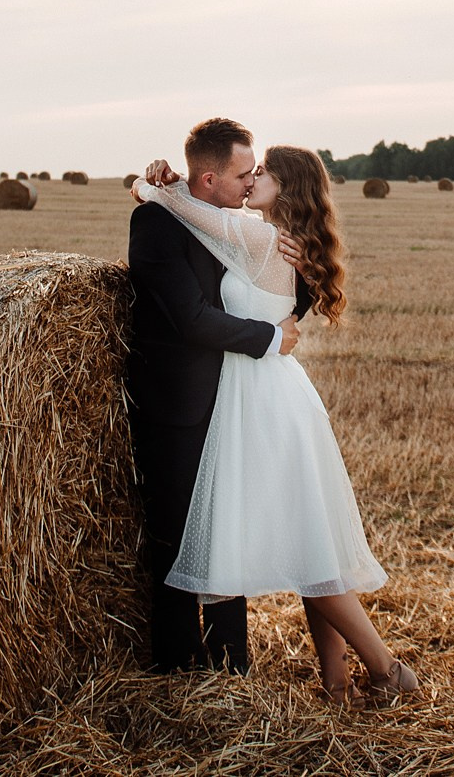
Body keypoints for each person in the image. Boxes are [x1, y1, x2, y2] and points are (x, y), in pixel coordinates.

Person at [131, 137, 417, 705]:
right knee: (311, 543)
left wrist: (147, 185)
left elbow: (179, 207)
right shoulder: (282, 243)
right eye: (246, 170)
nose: (250, 178)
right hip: (275, 396)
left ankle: (388, 670)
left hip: (260, 400)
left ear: (284, 189)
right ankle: (334, 686)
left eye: (260, 172)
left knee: (307, 550)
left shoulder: (258, 237)